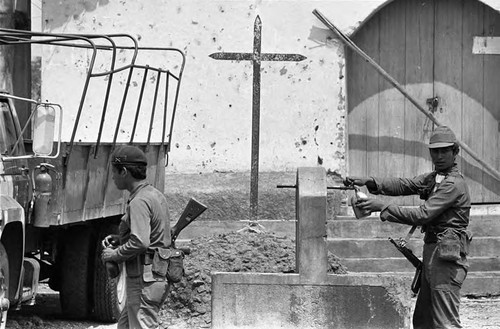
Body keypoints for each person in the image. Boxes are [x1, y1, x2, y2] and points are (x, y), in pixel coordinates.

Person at [344, 126, 472, 329]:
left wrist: (382, 206)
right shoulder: (434, 179)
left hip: (447, 258)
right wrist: (370, 182)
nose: (439, 156)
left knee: (446, 324)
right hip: (432, 251)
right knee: (423, 321)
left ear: (455, 152)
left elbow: (422, 215)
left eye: (444, 151)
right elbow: (405, 185)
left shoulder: (453, 184)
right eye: (435, 151)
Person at [101, 145, 171, 329]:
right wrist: (120, 238)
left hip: (143, 280)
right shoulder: (154, 195)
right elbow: (156, 235)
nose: (113, 177)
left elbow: (140, 241)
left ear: (124, 171)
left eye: (114, 172)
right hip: (153, 277)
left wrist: (113, 254)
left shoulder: (139, 201)